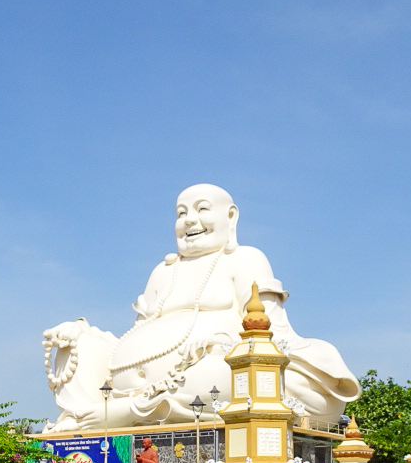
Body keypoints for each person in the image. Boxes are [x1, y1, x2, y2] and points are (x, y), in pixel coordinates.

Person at [43, 184, 361, 430]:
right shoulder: (162, 271)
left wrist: (226, 344)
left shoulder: (246, 258)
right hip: (140, 381)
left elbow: (272, 332)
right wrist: (84, 332)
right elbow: (136, 334)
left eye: (202, 209)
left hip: (211, 368)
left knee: (243, 374)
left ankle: (123, 414)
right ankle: (87, 414)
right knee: (75, 344)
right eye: (181, 213)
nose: (189, 220)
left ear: (230, 216)